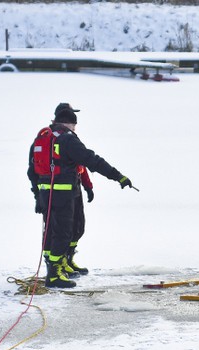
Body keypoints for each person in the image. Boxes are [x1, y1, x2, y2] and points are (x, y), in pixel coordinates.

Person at [27, 103, 133, 288]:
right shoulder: (68, 140)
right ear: (69, 124)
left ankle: (62, 264)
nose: (75, 129)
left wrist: (38, 196)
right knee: (62, 232)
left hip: (50, 193)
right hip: (63, 193)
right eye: (74, 125)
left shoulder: (42, 138)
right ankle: (54, 275)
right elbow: (92, 160)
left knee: (60, 230)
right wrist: (118, 176)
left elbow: (32, 171)